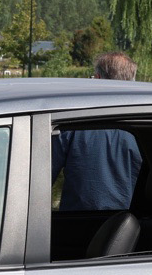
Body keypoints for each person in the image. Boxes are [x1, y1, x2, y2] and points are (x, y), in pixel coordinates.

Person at [50, 51, 143, 211]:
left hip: (77, 220)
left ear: (99, 79)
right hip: (129, 220)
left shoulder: (74, 122)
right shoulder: (146, 125)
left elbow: (43, 175)